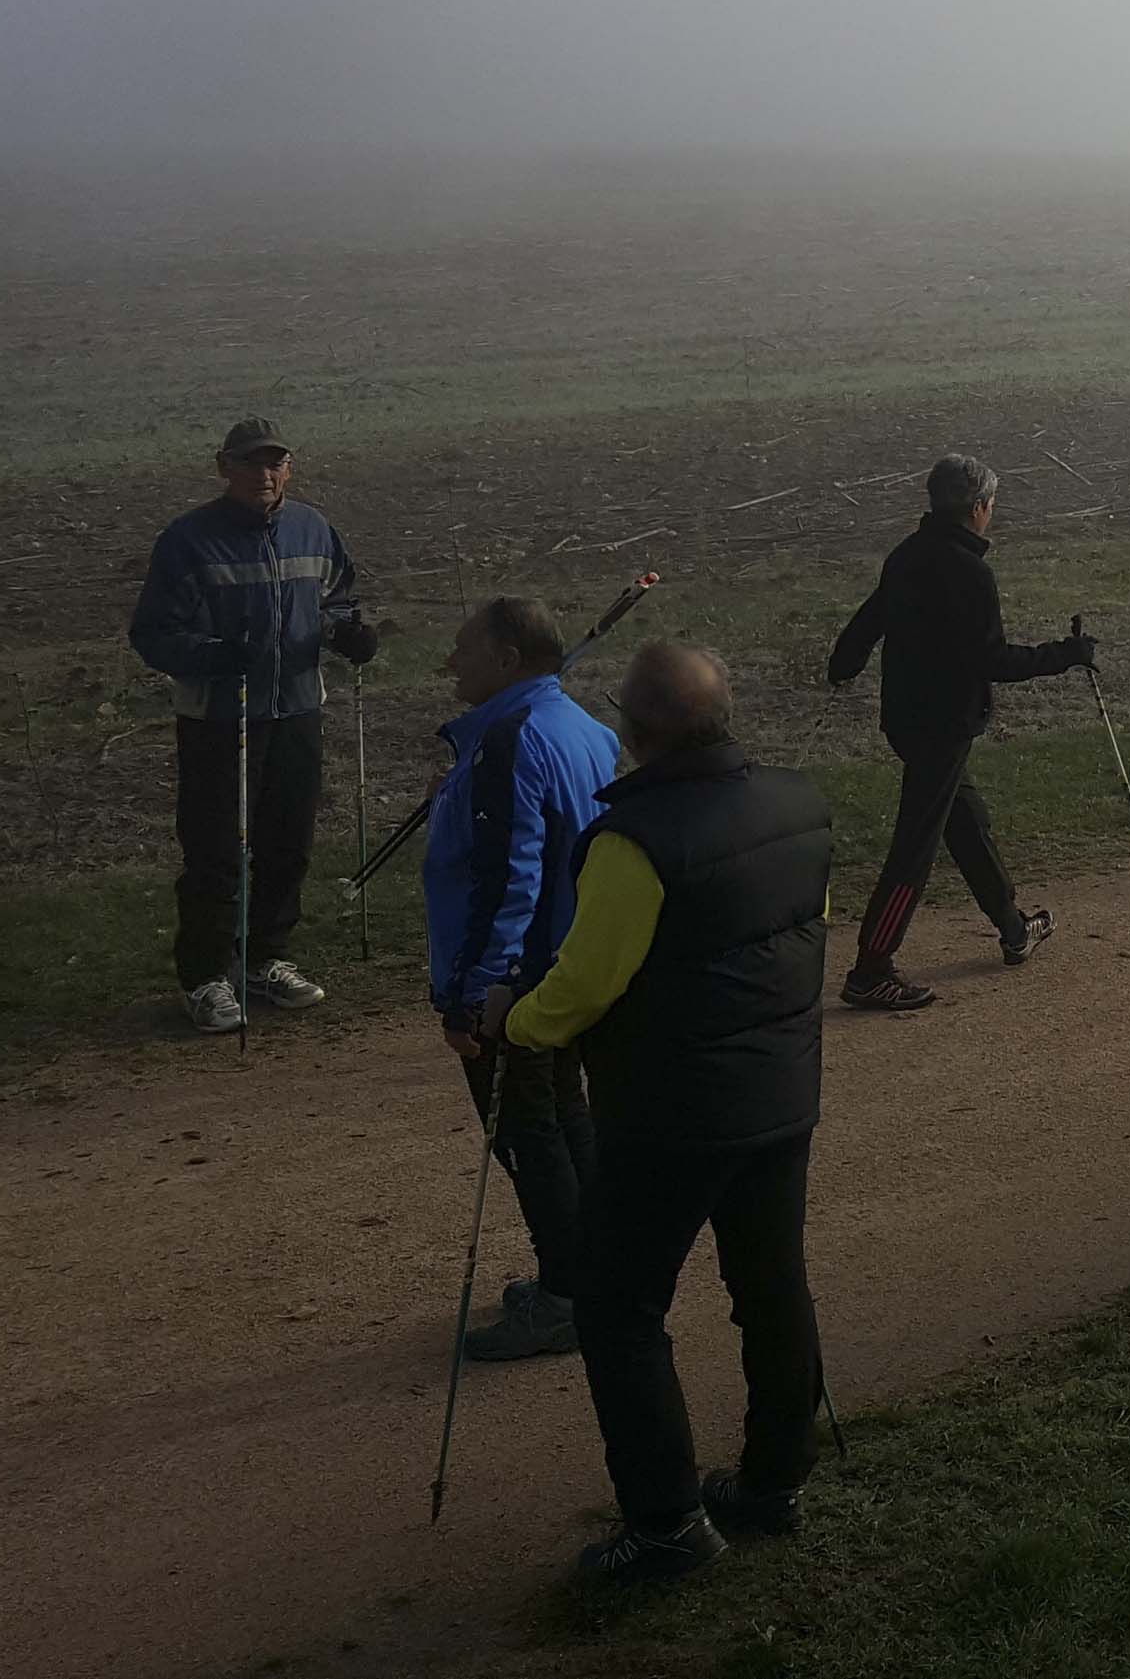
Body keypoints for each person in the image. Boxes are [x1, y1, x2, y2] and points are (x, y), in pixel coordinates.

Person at [486, 642, 837, 1587]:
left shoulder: (632, 841)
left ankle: (668, 1523)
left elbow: (587, 984)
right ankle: (775, 1481)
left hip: (668, 1114)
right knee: (771, 1284)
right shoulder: (800, 803)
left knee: (619, 1308)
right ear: (724, 714)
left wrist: (512, 1022)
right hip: (783, 1096)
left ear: (631, 731)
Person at [127, 415, 378, 1035]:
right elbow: (153, 631)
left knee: (286, 842)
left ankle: (266, 959)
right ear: (224, 467)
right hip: (219, 716)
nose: (264, 475)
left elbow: (337, 596)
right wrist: (212, 655)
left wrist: (348, 632)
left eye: (275, 463)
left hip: (296, 707)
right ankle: (207, 975)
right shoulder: (188, 539)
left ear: (288, 468)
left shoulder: (313, 528)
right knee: (216, 848)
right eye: (250, 463)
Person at [425, 597, 625, 1363]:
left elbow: (505, 878)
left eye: (462, 649)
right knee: (565, 1118)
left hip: (520, 983)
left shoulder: (511, 740)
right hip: (567, 967)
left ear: (508, 659)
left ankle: (567, 1297)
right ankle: (591, 1275)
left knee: (527, 1135)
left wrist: (477, 994)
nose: (451, 663)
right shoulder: (584, 727)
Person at [824, 454, 1090, 1009]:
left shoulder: (908, 553)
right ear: (977, 509)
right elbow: (991, 659)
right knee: (915, 849)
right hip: (942, 726)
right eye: (991, 506)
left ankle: (1015, 931)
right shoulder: (970, 572)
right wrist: (1067, 655)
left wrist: (843, 663)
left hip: (906, 719)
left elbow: (872, 616)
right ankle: (871, 968)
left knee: (966, 823)